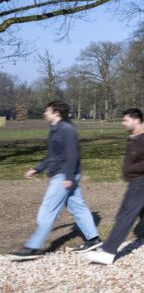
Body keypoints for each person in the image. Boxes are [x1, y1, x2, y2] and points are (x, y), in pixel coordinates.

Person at [7, 101, 102, 261]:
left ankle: (33, 247)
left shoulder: (66, 130)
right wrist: (37, 169)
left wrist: (69, 177)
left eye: (47, 111)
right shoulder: (56, 129)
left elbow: (73, 154)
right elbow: (53, 156)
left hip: (63, 176)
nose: (45, 113)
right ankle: (93, 240)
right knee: (78, 207)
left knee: (47, 211)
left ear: (56, 112)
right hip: (65, 174)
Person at [86, 108, 144, 265]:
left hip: (142, 181)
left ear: (136, 120)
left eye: (125, 120)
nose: (123, 123)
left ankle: (108, 252)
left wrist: (131, 170)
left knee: (126, 216)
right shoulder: (135, 137)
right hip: (137, 181)